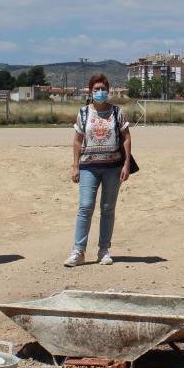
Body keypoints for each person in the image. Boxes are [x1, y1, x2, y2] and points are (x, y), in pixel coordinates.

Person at [65, 74, 132, 267]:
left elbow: (126, 138)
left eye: (103, 89)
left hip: (113, 167)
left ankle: (104, 249)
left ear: (108, 90)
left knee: (107, 208)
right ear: (90, 91)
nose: (100, 92)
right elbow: (77, 140)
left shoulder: (117, 112)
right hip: (88, 166)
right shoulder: (84, 112)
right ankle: (78, 251)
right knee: (85, 207)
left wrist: (126, 164)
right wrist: (75, 165)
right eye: (96, 89)